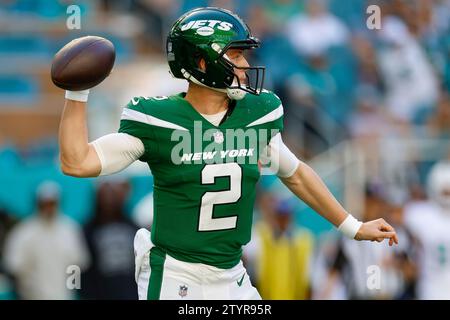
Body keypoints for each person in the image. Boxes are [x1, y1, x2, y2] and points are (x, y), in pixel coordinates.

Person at [58, 7, 398, 300]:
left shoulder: (257, 114)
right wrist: (77, 92)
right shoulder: (156, 119)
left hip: (232, 274)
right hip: (176, 275)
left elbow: (295, 173)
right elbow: (78, 161)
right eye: (235, 55)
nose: (246, 64)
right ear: (203, 61)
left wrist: (353, 226)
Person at [2, 181, 89, 300]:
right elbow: (14, 266)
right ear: (38, 203)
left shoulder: (70, 229)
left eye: (52, 203)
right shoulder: (24, 232)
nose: (49, 207)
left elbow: (79, 263)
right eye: (45, 203)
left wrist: (72, 289)